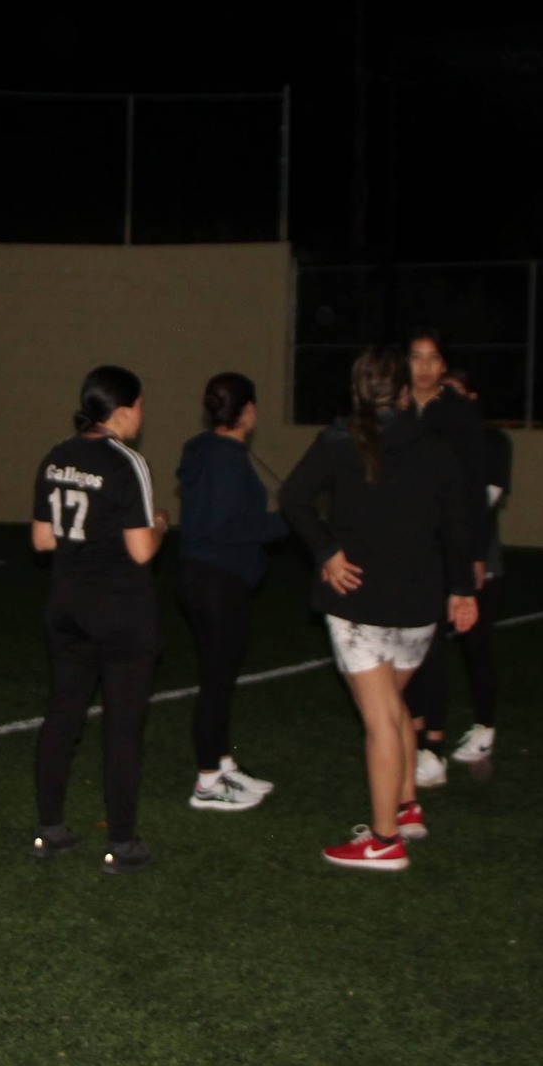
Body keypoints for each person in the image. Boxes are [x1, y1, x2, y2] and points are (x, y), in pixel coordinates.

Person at [280, 347, 477, 871]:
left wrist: (326, 550)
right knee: (394, 705)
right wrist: (462, 589)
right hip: (418, 605)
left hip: (360, 602)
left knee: (382, 718)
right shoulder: (434, 447)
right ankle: (407, 807)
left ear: (357, 392)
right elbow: (459, 524)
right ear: (406, 393)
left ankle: (385, 840)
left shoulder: (341, 440)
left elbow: (293, 497)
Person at [29, 366, 169, 876]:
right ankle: (122, 843)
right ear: (123, 410)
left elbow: (42, 539)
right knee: (123, 726)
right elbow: (140, 550)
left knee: (63, 714)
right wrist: (160, 525)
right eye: (141, 406)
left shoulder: (56, 455)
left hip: (67, 604)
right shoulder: (127, 462)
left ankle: (50, 829)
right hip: (120, 610)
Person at [175, 372, 290, 811]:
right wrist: (286, 523)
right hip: (219, 581)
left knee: (218, 677)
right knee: (217, 682)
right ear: (248, 411)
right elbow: (228, 526)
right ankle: (208, 781)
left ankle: (222, 763)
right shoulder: (226, 459)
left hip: (202, 577)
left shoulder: (205, 450)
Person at [399, 327, 488, 786]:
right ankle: (412, 737)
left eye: (433, 358)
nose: (424, 367)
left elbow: (474, 491)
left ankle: (434, 744)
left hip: (442, 545)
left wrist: (473, 555)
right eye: (416, 357)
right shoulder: (393, 409)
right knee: (404, 644)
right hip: (400, 546)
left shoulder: (459, 415)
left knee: (432, 645)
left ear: (444, 365)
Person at [442, 368, 510, 765]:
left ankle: (485, 728)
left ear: (472, 398)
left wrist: (475, 556)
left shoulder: (492, 441)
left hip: (479, 559)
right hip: (436, 560)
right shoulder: (432, 440)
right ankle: (426, 738)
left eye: (455, 393)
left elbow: (484, 502)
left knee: (477, 646)